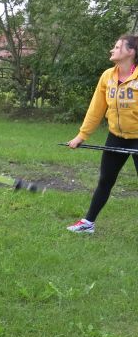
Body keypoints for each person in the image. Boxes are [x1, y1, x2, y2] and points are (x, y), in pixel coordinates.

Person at [66, 34, 138, 234]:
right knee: (105, 180)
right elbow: (96, 109)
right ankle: (88, 223)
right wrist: (81, 136)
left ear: (131, 52)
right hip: (116, 136)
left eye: (117, 47)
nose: (112, 50)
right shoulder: (108, 76)